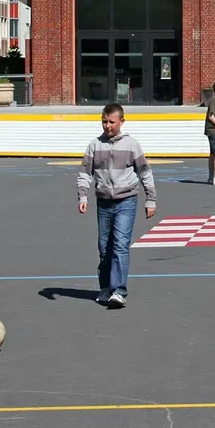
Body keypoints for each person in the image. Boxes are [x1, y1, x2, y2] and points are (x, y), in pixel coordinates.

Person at [77, 103, 157, 309]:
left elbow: (144, 172)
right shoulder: (95, 145)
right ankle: (105, 288)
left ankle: (119, 291)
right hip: (104, 202)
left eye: (111, 122)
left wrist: (150, 199)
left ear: (122, 121)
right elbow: (85, 172)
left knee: (120, 245)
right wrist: (83, 196)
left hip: (126, 200)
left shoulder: (131, 145)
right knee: (104, 248)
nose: (107, 126)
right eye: (104, 121)